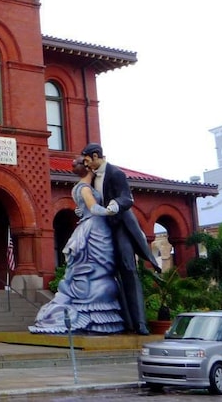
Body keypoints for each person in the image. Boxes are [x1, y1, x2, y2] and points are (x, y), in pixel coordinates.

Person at [29, 157, 124, 334]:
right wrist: (111, 210)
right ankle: (88, 307)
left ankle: (84, 300)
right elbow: (94, 208)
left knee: (95, 265)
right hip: (95, 226)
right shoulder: (85, 188)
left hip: (88, 226)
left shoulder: (78, 187)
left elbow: (83, 208)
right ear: (88, 168)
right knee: (96, 263)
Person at [81, 143, 162, 335]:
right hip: (101, 229)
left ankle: (140, 323)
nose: (85, 164)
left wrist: (116, 204)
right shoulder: (91, 178)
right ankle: (125, 322)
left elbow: (128, 198)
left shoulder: (116, 173)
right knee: (110, 273)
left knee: (127, 269)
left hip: (120, 226)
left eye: (86, 160)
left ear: (95, 156)